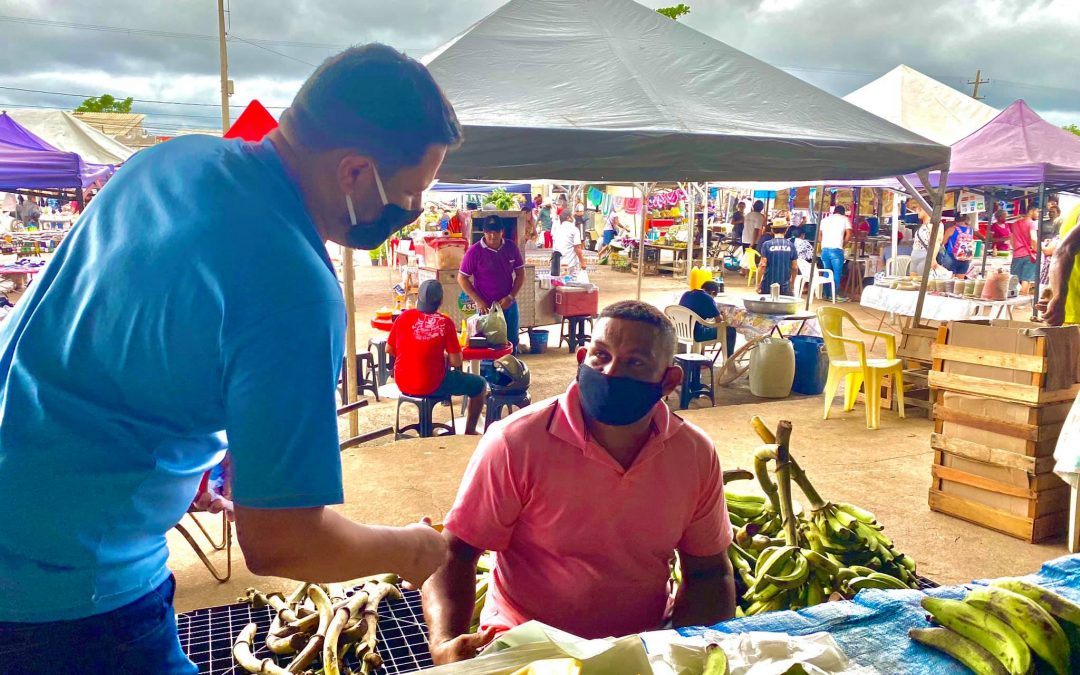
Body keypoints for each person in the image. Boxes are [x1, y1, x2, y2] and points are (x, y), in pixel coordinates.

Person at [0, 45, 458, 674]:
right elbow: (284, 545)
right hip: (61, 598)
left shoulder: (169, 161)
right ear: (354, 173)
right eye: (410, 193)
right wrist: (410, 551)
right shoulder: (294, 287)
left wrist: (181, 465)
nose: (412, 213)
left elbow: (102, 332)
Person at [422, 301, 735, 664]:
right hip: (525, 649)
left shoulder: (693, 454)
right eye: (601, 355)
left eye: (635, 362)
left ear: (669, 380)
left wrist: (688, 657)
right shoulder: (516, 442)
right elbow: (456, 551)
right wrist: (444, 643)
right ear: (582, 357)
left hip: (639, 649)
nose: (611, 371)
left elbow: (709, 572)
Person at [388, 280, 488, 435]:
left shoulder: (403, 317)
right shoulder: (444, 322)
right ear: (441, 301)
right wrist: (443, 356)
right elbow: (456, 361)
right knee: (479, 384)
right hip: (432, 383)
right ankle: (470, 431)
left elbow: (389, 348)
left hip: (402, 381)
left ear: (418, 298)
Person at [459, 215, 526, 351]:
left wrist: (511, 296)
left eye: (496, 231)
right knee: (487, 344)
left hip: (508, 304)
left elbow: (520, 274)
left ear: (502, 231)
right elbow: (462, 278)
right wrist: (478, 301)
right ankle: (487, 372)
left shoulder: (511, 247)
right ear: (484, 232)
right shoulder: (474, 252)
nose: (492, 235)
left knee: (511, 341)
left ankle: (509, 370)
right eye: (489, 232)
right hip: (485, 307)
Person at [1043, 204, 1080, 326]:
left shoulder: (1075, 210)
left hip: (1070, 311)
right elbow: (1063, 251)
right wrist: (1059, 296)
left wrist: (1053, 290)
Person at [818, 205, 852, 301]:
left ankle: (826, 294)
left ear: (834, 211)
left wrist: (823, 243)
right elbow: (849, 233)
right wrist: (843, 243)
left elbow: (819, 235)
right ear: (843, 212)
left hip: (825, 249)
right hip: (837, 249)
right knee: (837, 273)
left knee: (827, 272)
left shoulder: (824, 220)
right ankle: (834, 295)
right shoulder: (845, 219)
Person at [757, 227, 799, 296]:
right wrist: (792, 283)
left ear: (772, 230)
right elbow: (794, 267)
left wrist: (758, 284)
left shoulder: (767, 244)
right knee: (784, 305)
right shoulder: (791, 245)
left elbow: (762, 265)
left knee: (767, 305)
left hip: (768, 284)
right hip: (785, 285)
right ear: (786, 230)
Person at [1010, 207, 1039, 293]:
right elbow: (1034, 239)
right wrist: (1036, 249)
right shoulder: (1032, 223)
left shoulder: (1015, 224)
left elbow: (1011, 240)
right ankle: (1021, 304)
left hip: (1016, 255)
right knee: (1026, 279)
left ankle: (1012, 303)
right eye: (1037, 211)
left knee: (1014, 280)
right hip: (1029, 255)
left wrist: (1017, 249)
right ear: (1031, 211)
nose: (1038, 214)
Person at [552, 210, 585, 275]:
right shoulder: (574, 229)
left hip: (557, 263)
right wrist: (582, 262)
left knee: (560, 283)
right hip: (569, 264)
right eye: (572, 216)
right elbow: (577, 248)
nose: (573, 218)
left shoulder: (557, 229)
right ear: (568, 218)